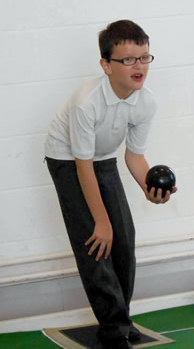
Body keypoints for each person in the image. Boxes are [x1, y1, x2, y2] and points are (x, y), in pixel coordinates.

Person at [44, 20, 176, 349]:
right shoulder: (85, 103)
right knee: (96, 242)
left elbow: (135, 157)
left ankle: (121, 317)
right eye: (128, 59)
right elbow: (82, 167)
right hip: (67, 160)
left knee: (123, 238)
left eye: (144, 57)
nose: (139, 66)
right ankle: (114, 331)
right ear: (106, 65)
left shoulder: (145, 102)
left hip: (104, 158)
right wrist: (101, 222)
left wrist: (150, 189)